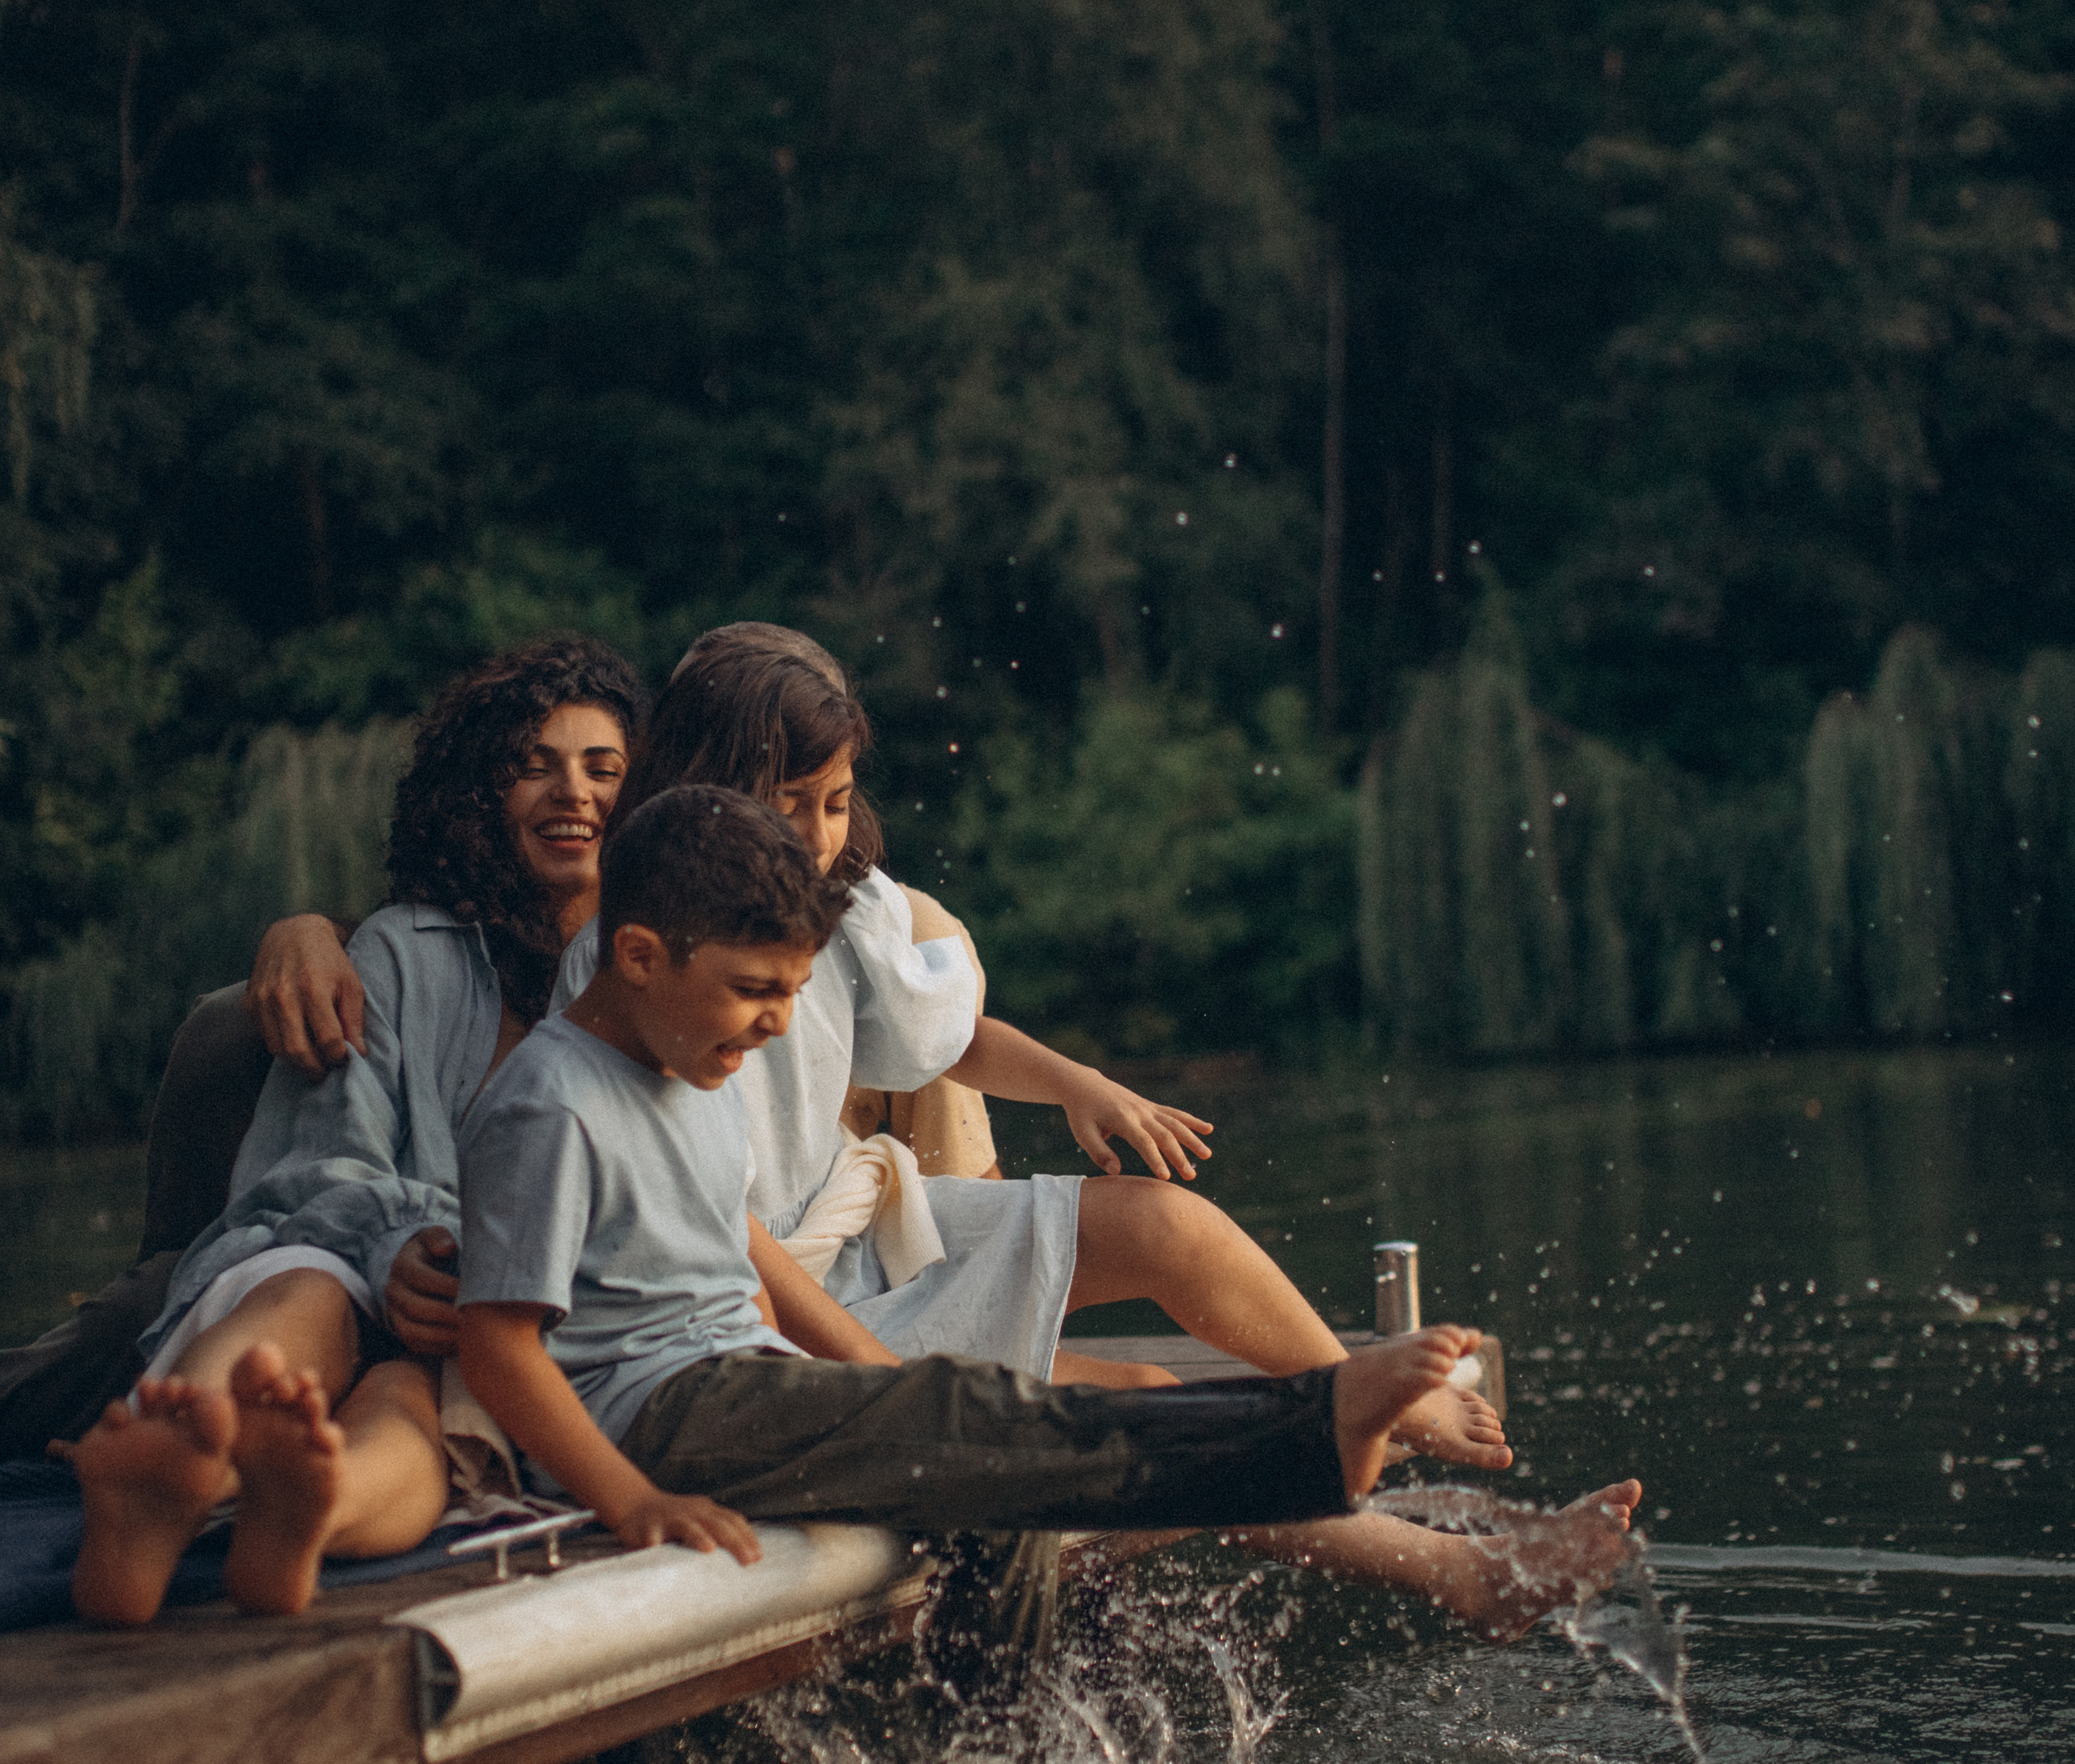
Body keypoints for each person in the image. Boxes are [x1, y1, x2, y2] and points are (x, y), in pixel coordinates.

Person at [453, 784, 1642, 1635]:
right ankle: (1306, 1431)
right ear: (644, 955)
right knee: (985, 1409)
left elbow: (750, 1260)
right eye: (755, 993)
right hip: (663, 1415)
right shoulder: (548, 1104)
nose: (773, 1028)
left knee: (998, 1495)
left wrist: (870, 1377)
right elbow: (499, 1344)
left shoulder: (687, 1070)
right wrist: (631, 1499)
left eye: (793, 996)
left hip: (750, 1374)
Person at [57, 636, 648, 1625]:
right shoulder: (398, 952)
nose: (571, 792)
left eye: (603, 767)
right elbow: (316, 1166)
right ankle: (184, 1453)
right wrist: (396, 1247)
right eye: (532, 764)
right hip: (344, 1260)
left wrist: (478, 1268)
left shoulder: (652, 979)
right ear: (477, 792)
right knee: (308, 1289)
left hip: (504, 1326)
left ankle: (309, 1513)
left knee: (415, 1412)